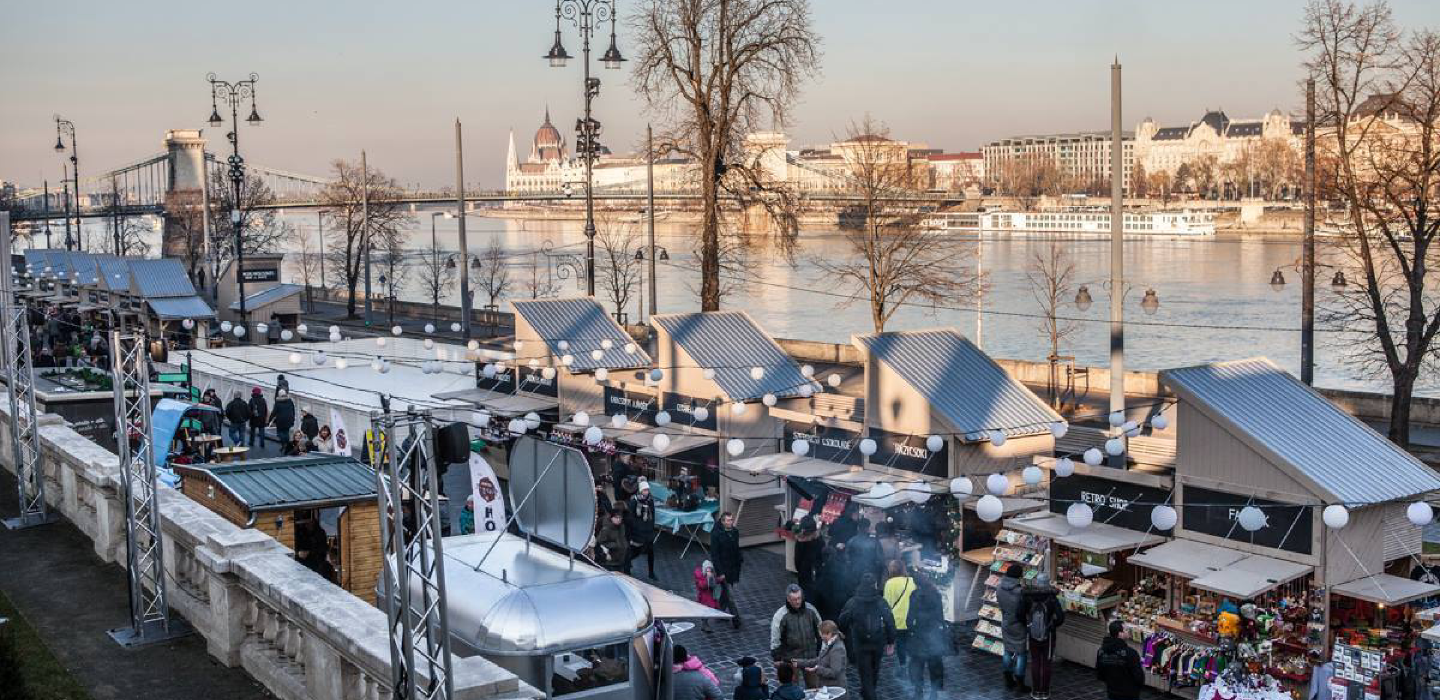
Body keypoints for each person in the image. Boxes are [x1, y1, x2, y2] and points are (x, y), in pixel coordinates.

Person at [837, 573, 896, 700]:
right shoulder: (881, 601)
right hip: (877, 643)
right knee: (873, 673)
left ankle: (868, 694)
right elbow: (890, 621)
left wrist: (845, 630)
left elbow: (842, 621)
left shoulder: (853, 602)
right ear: (874, 585)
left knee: (866, 675)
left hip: (860, 643)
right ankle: (869, 695)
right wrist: (891, 641)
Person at [1019, 573, 1066, 700]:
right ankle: (1044, 691)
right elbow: (1060, 617)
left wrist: (1028, 625)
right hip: (1049, 636)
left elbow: (1019, 614)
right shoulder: (1052, 597)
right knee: (1046, 663)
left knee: (1035, 662)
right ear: (1048, 583)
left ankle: (1035, 691)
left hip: (1033, 635)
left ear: (1036, 583)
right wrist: (1052, 625)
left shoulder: (1027, 596)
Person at [906, 574, 949, 699]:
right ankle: (934, 692)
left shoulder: (914, 595)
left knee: (917, 664)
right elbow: (940, 616)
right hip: (934, 634)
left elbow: (909, 618)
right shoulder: (936, 594)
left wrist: (911, 629)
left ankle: (918, 691)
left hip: (919, 634)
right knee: (934, 664)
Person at [997, 563, 1031, 693]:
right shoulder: (1020, 592)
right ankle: (1020, 682)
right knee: (1021, 653)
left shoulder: (999, 588)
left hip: (1006, 622)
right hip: (1018, 625)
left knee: (1008, 651)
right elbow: (1025, 610)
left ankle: (1008, 679)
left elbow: (1001, 606)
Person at [770, 583, 823, 664]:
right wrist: (777, 658)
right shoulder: (780, 616)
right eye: (794, 599)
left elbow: (821, 631)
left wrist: (821, 651)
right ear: (788, 599)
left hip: (811, 658)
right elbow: (775, 639)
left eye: (799, 598)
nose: (798, 601)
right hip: (791, 660)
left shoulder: (811, 610)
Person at [710, 511, 744, 628]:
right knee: (730, 595)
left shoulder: (735, 532)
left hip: (733, 568)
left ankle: (719, 612)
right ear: (723, 521)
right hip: (723, 568)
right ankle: (736, 620)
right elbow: (715, 555)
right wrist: (720, 572)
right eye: (729, 520)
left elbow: (736, 548)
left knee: (725, 592)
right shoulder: (716, 534)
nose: (731, 522)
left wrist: (740, 560)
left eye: (731, 520)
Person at [1096, 619, 1144, 700]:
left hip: (1112, 692)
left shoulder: (1101, 651)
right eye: (1126, 629)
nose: (1128, 631)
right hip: (1129, 694)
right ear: (1120, 634)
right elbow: (1139, 677)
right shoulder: (1130, 653)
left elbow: (1100, 674)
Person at [795, 620, 848, 692]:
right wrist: (799, 662)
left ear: (829, 633)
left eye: (822, 635)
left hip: (835, 690)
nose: (821, 638)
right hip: (829, 688)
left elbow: (834, 672)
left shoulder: (837, 649)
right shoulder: (830, 644)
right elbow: (819, 660)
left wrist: (817, 669)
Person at [882, 559, 916, 671]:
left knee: (901, 643)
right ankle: (914, 665)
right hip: (912, 618)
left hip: (897, 619)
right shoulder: (911, 580)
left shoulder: (889, 583)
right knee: (910, 641)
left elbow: (887, 603)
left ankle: (903, 666)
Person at [624, 479, 657, 580]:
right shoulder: (634, 501)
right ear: (640, 490)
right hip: (637, 532)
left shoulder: (650, 500)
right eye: (644, 490)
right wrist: (636, 529)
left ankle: (651, 572)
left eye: (647, 490)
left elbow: (653, 515)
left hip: (648, 532)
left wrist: (651, 527)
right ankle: (626, 567)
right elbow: (630, 517)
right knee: (635, 551)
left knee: (651, 552)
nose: (646, 492)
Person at [844, 519, 883, 587]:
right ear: (868, 528)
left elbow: (847, 559)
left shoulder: (851, 541)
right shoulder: (874, 541)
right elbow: (880, 560)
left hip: (855, 574)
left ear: (858, 528)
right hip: (871, 574)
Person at [794, 516, 823, 601]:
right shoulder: (819, 541)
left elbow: (797, 559)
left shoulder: (800, 541)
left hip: (807, 573)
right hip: (809, 573)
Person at [695, 560, 722, 633]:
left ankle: (705, 624)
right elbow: (702, 586)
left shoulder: (711, 575)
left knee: (709, 610)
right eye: (708, 569)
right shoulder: (700, 576)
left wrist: (719, 579)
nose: (709, 571)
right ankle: (705, 625)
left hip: (710, 597)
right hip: (704, 598)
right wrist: (708, 579)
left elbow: (714, 582)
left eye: (710, 569)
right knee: (705, 611)